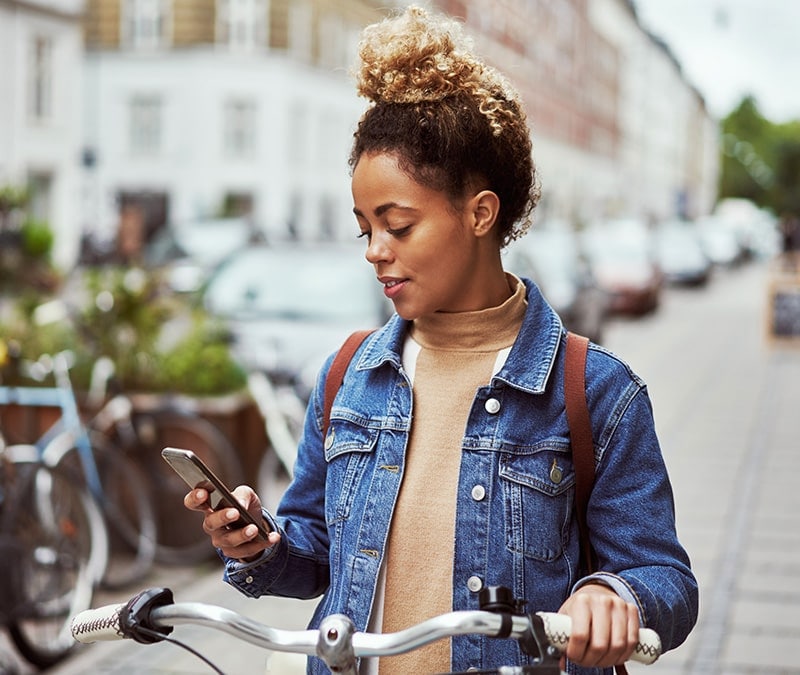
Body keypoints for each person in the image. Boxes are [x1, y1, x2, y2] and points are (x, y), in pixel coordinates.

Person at [184, 6, 698, 674]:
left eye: (397, 225)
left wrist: (614, 592)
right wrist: (258, 543)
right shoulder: (350, 373)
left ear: (480, 213)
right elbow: (318, 555)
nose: (374, 250)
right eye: (364, 226)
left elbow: (666, 578)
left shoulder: (595, 391)